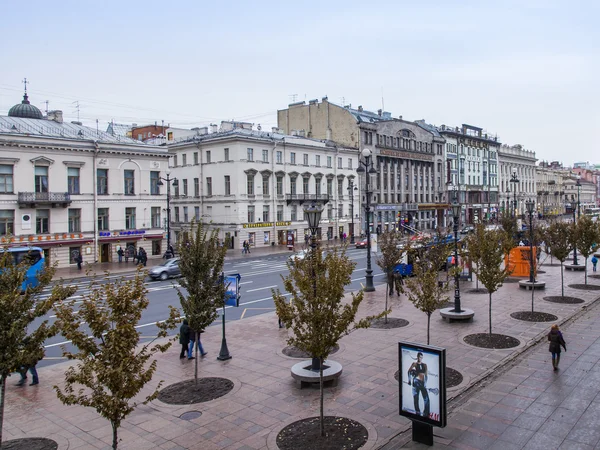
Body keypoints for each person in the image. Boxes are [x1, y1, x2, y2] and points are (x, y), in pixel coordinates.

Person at [407, 352, 429, 418]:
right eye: (419, 357)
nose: (420, 358)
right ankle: (417, 413)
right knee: (416, 398)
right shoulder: (414, 364)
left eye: (421, 357)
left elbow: (426, 375)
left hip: (422, 382)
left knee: (426, 398)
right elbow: (409, 371)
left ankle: (426, 413)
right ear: (417, 357)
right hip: (415, 382)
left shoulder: (424, 365)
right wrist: (409, 380)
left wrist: (425, 383)